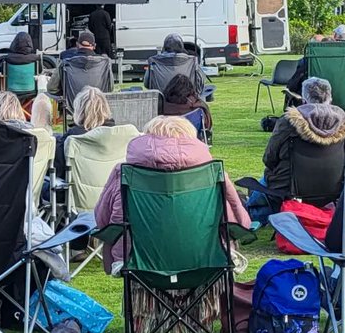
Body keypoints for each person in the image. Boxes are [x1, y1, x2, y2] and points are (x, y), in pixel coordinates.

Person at [95, 114, 251, 274]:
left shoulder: (124, 174)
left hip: (137, 262)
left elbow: (102, 221)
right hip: (207, 259)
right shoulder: (213, 174)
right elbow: (240, 222)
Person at [243, 77, 345, 225]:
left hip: (289, 186)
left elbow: (269, 159)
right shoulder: (344, 124)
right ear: (330, 97)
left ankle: (251, 208)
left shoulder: (288, 122)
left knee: (266, 180)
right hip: (334, 185)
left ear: (304, 98)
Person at [55, 84, 114, 177]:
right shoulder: (117, 134)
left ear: (79, 111)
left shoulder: (73, 137)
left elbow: (59, 169)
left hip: (78, 189)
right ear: (106, 107)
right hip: (111, 189)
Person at [143, 33, 207, 99]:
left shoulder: (155, 61)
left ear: (164, 47)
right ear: (182, 47)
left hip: (161, 105)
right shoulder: (192, 61)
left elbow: (147, 84)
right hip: (187, 104)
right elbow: (200, 84)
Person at [48, 31, 108, 97]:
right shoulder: (104, 62)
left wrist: (66, 93)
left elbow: (51, 88)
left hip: (72, 105)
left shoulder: (66, 63)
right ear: (94, 46)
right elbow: (110, 88)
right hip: (98, 105)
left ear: (77, 45)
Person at [160, 72, 211, 139]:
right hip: (192, 140)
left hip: (165, 141)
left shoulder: (161, 108)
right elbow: (207, 126)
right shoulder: (198, 107)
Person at [0, 31, 40, 100]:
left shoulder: (6, 59)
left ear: (14, 43)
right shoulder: (36, 59)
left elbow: (0, 75)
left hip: (10, 91)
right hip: (32, 91)